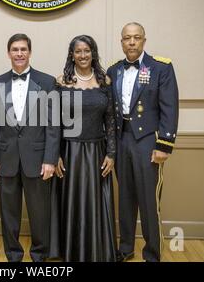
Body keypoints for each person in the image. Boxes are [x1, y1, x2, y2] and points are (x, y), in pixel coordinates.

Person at [107, 22, 179, 262]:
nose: (131, 42)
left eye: (136, 37)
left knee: (149, 201)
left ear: (144, 41)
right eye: (127, 38)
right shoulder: (113, 70)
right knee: (125, 198)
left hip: (148, 141)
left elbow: (169, 108)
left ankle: (152, 253)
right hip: (121, 140)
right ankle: (125, 248)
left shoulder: (161, 68)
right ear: (121, 42)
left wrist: (164, 145)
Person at [0, 33, 60, 262]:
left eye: (23, 49)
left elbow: (53, 124)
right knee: (9, 213)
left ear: (30, 52)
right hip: (5, 157)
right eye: (15, 49)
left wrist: (50, 159)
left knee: (39, 213)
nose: (19, 53)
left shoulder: (47, 81)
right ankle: (13, 255)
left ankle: (39, 256)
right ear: (8, 53)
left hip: (37, 159)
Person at [51, 35, 117, 262]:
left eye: (87, 50)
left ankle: (97, 250)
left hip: (97, 152)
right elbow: (55, 122)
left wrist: (111, 153)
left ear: (93, 53)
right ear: (72, 54)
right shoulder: (61, 81)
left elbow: (110, 121)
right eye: (78, 51)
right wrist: (56, 154)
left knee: (95, 203)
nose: (82, 55)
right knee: (72, 203)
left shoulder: (105, 81)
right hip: (69, 152)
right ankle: (71, 251)